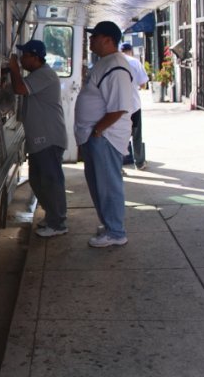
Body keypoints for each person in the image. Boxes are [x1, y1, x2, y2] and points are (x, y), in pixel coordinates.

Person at [74, 21, 135, 247]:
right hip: (96, 136)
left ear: (108, 39)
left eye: (94, 36)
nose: (90, 40)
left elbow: (118, 107)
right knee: (99, 184)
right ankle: (109, 225)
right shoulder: (105, 63)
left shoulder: (116, 66)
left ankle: (116, 232)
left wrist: (98, 130)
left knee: (108, 185)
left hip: (105, 137)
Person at [9, 39, 69, 237]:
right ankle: (52, 216)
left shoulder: (44, 75)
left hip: (49, 138)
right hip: (39, 140)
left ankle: (58, 223)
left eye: (24, 56)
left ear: (35, 57)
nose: (22, 60)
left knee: (51, 181)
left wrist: (13, 69)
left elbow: (20, 88)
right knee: (37, 180)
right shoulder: (36, 75)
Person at [120, 42, 148, 170]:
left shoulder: (113, 61)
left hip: (117, 106)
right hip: (134, 105)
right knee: (136, 134)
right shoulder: (135, 62)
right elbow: (143, 85)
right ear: (130, 51)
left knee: (119, 134)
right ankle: (139, 162)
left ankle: (119, 165)